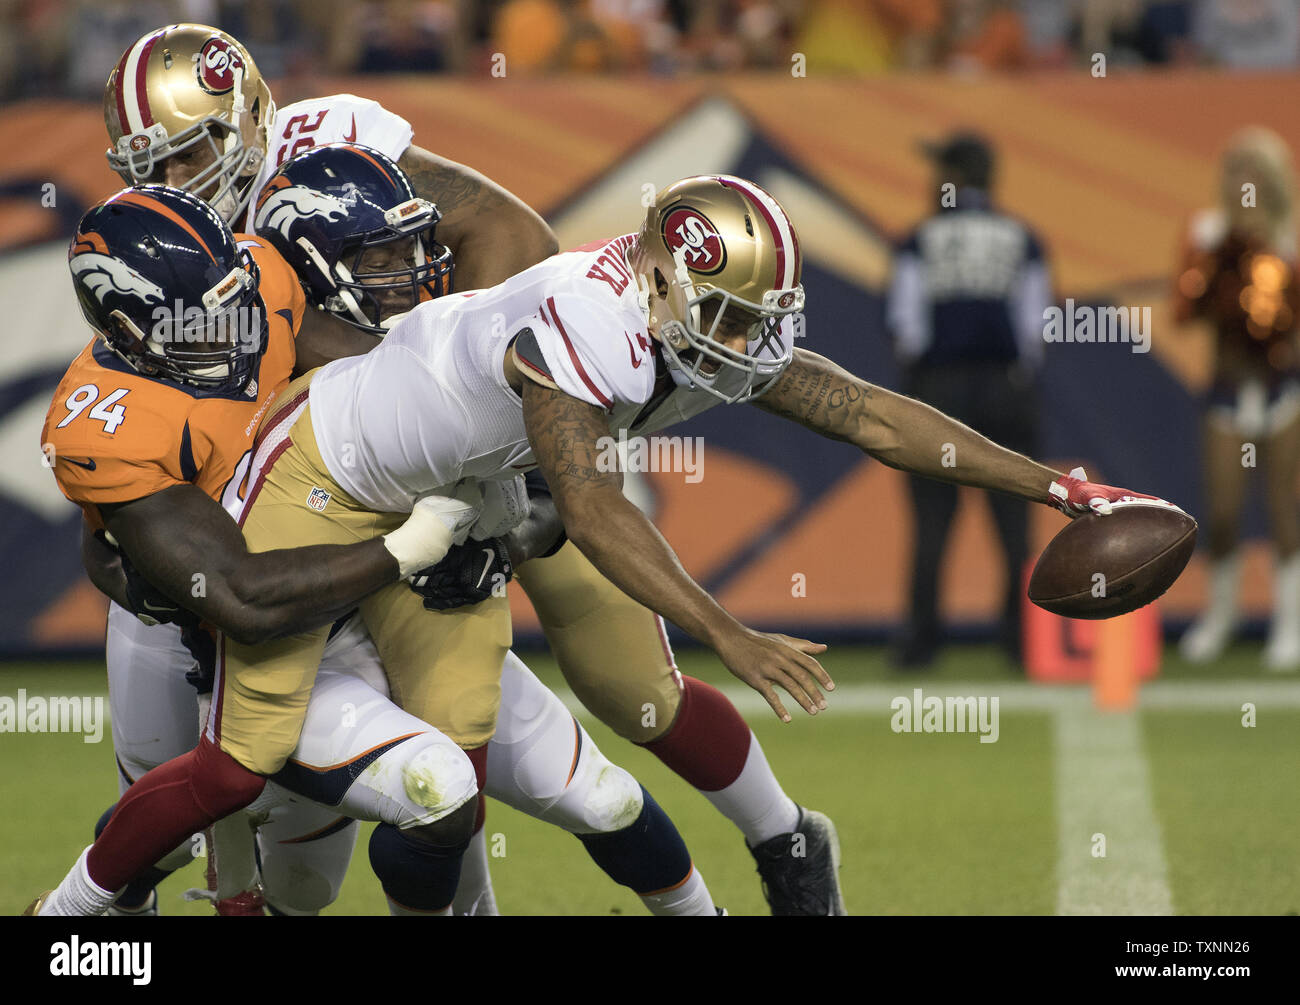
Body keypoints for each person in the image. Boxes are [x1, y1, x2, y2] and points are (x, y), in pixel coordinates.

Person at [29, 171, 1172, 920]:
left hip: (456, 499)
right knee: (241, 775)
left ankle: (752, 867)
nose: (748, 342)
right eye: (727, 316)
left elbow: (868, 412)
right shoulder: (592, 323)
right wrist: (724, 630)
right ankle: (73, 926)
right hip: (322, 483)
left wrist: (1058, 487)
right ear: (663, 285)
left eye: (758, 315)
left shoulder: (683, 314)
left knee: (464, 778)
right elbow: (587, 502)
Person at [104, 21, 845, 914]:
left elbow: (507, 232)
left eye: (188, 156)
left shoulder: (326, 149)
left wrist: (485, 426)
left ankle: (784, 834)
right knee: (360, 748)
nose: (169, 186)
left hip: (487, 437)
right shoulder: (152, 256)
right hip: (335, 480)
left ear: (248, 119)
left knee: (633, 688)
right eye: (149, 167)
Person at [35, 184, 721, 917]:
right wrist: (413, 544)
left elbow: (400, 379)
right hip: (257, 623)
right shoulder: (113, 421)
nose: (237, 328)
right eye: (206, 319)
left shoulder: (262, 284)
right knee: (231, 832)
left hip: (377, 595)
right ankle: (76, 920)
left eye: (237, 299)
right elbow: (239, 597)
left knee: (589, 794)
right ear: (128, 328)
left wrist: (505, 491)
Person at [886, 131, 1052, 667]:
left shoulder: (922, 238)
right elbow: (1034, 326)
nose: (933, 183)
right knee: (1015, 522)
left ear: (957, 178)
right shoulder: (1022, 238)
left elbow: (905, 323)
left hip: (940, 390)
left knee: (932, 520)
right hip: (1005, 387)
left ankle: (920, 643)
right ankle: (1023, 640)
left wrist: (925, 378)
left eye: (941, 172)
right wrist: (1012, 376)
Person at [1175, 126, 1300, 672]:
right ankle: (1220, 616)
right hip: (1228, 388)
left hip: (1283, 387)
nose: (1243, 181)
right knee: (1223, 512)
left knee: (1284, 511)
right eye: (1235, 169)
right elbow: (1185, 309)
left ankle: (1289, 623)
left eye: (1254, 170)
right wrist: (1221, 264)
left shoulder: (1291, 238)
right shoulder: (1207, 231)